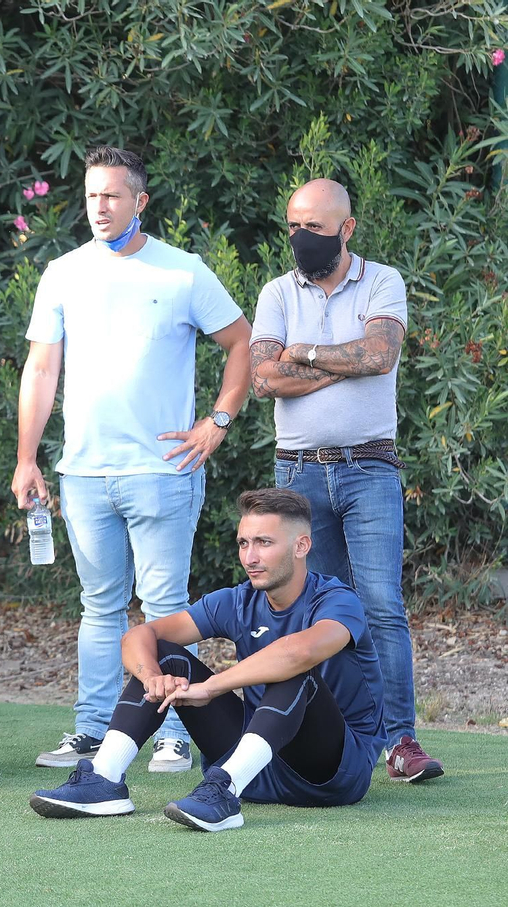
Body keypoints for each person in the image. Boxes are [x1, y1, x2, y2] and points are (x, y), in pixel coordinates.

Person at [11, 145, 252, 773]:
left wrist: (218, 421)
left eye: (113, 195)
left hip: (162, 472)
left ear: (139, 202)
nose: (100, 207)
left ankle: (174, 731)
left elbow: (241, 341)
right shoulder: (63, 272)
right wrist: (26, 458)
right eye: (92, 195)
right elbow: (40, 367)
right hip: (83, 474)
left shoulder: (183, 271)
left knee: (165, 609)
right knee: (100, 606)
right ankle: (93, 731)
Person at [30, 489, 387, 832]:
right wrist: (152, 676)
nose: (250, 557)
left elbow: (298, 653)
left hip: (330, 774)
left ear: (301, 546)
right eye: (244, 543)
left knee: (295, 672)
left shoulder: (338, 601)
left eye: (264, 543)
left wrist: (211, 687)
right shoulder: (237, 600)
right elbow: (138, 637)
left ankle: (224, 791)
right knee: (164, 656)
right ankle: (103, 780)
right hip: (257, 769)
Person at [249, 178, 441, 783]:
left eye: (315, 228)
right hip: (298, 472)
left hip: (370, 466)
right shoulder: (277, 291)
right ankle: (335, 735)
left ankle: (400, 740)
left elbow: (380, 356)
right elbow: (262, 379)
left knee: (381, 605)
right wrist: (340, 359)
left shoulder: (382, 282)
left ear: (347, 229)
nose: (302, 239)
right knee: (316, 608)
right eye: (294, 227)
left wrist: (301, 353)